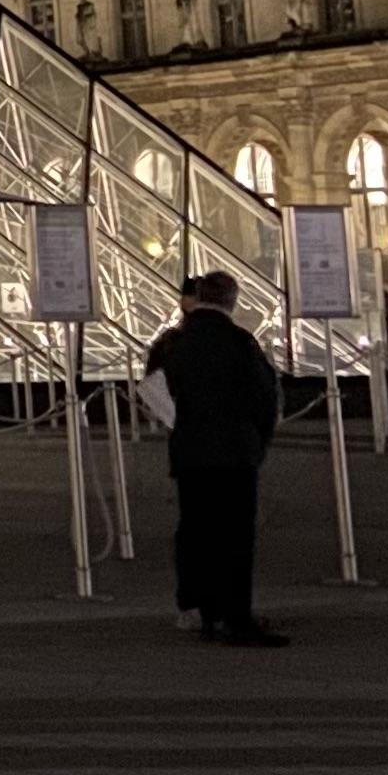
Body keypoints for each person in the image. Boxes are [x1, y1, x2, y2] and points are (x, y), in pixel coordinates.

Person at [143, 271, 288, 647]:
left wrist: (183, 426)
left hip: (191, 453)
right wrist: (258, 442)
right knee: (235, 537)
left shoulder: (176, 344)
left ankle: (205, 614)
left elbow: (156, 389)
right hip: (236, 453)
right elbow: (265, 398)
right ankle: (236, 616)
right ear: (232, 300)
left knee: (197, 532)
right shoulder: (240, 342)